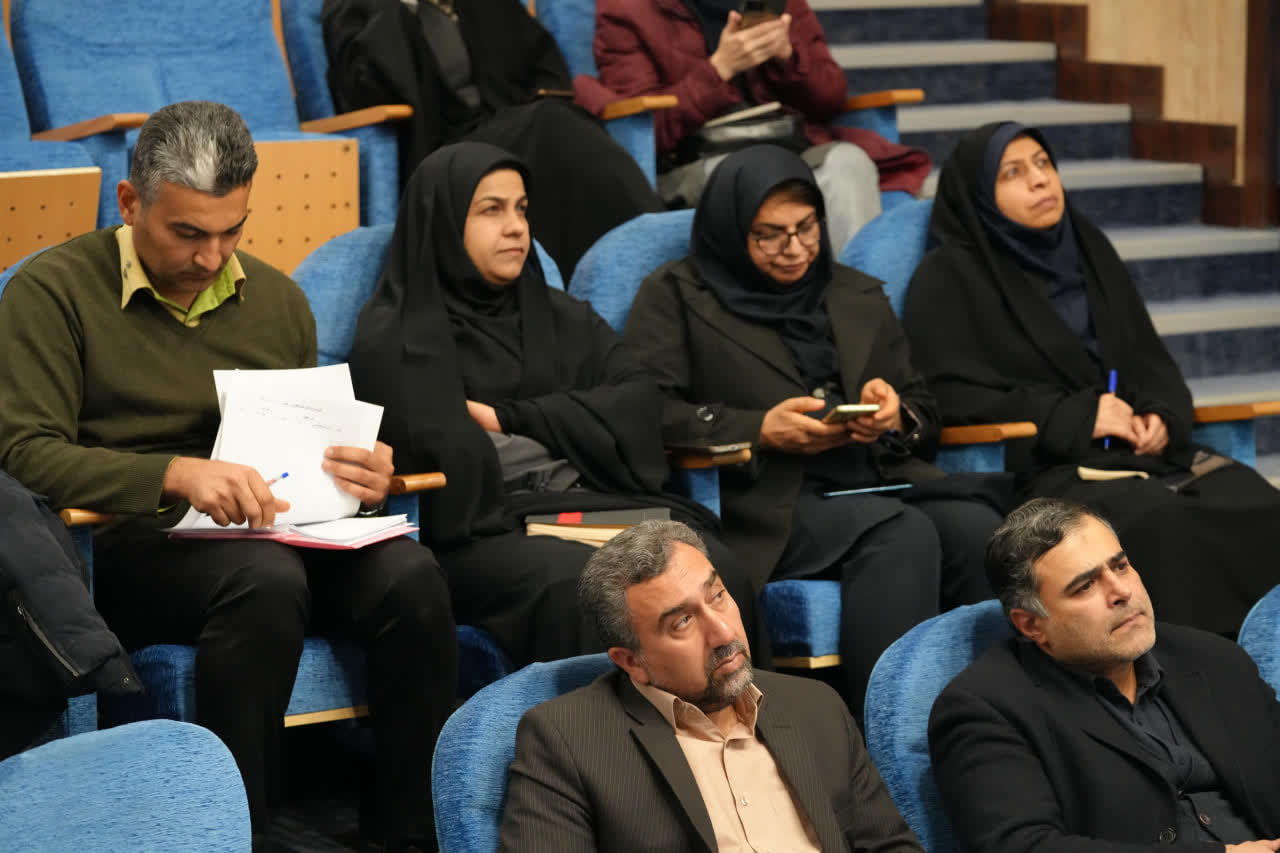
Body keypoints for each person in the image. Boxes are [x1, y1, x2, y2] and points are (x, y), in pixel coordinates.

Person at [0, 101, 455, 850]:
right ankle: (239, 833)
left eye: (231, 231)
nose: (212, 257)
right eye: (188, 233)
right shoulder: (52, 293)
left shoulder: (277, 299)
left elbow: (304, 437)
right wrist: (174, 474)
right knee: (263, 580)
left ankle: (412, 833)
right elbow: (23, 453)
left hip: (268, 530)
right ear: (129, 203)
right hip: (123, 544)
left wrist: (361, 471)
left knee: (411, 575)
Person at [349, 141, 768, 671]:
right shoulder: (398, 335)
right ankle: (604, 728)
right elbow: (443, 451)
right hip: (483, 534)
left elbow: (637, 400)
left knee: (713, 564)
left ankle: (734, 719)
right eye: (491, 210)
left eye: (522, 209)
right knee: (583, 583)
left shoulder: (560, 315)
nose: (516, 228)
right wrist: (574, 424)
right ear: (444, 222)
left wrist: (510, 419)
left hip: (593, 505)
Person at [623, 145, 1004, 717]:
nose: (796, 248)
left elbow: (922, 404)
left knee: (980, 531)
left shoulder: (853, 292)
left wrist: (894, 414)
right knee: (899, 533)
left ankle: (994, 716)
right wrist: (761, 430)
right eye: (769, 235)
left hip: (876, 475)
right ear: (731, 230)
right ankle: (886, 732)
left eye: (807, 228)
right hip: (768, 497)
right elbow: (645, 410)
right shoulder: (675, 295)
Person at [902, 120, 1280, 635]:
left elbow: (1149, 357)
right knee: (1161, 523)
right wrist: (1081, 416)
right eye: (1013, 173)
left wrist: (1160, 414)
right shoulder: (947, 277)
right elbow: (951, 398)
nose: (1040, 179)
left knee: (1257, 504)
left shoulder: (1086, 246)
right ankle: (1190, 669)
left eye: (1043, 163)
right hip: (1048, 468)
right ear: (980, 196)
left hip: (1142, 456)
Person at [499, 519, 923, 852]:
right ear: (632, 661)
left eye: (717, 595)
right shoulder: (567, 741)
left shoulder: (815, 706)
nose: (723, 632)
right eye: (683, 621)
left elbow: (891, 846)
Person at [929, 498, 1280, 853]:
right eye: (1085, 586)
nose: (1122, 592)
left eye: (1121, 566)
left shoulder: (1213, 658)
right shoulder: (985, 709)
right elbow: (1023, 846)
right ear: (1032, 625)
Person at [322, 0, 664, 276]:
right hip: (438, 148)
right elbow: (361, 91)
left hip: (513, 127)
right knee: (553, 126)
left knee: (561, 128)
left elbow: (549, 67)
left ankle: (630, 258)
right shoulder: (359, 8)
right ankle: (656, 244)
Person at [593, 0, 931, 250]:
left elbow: (831, 97)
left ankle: (862, 308)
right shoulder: (628, 9)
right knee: (759, 181)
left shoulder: (781, 4)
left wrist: (788, 58)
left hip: (789, 145)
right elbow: (644, 128)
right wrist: (719, 70)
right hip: (695, 161)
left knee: (849, 163)